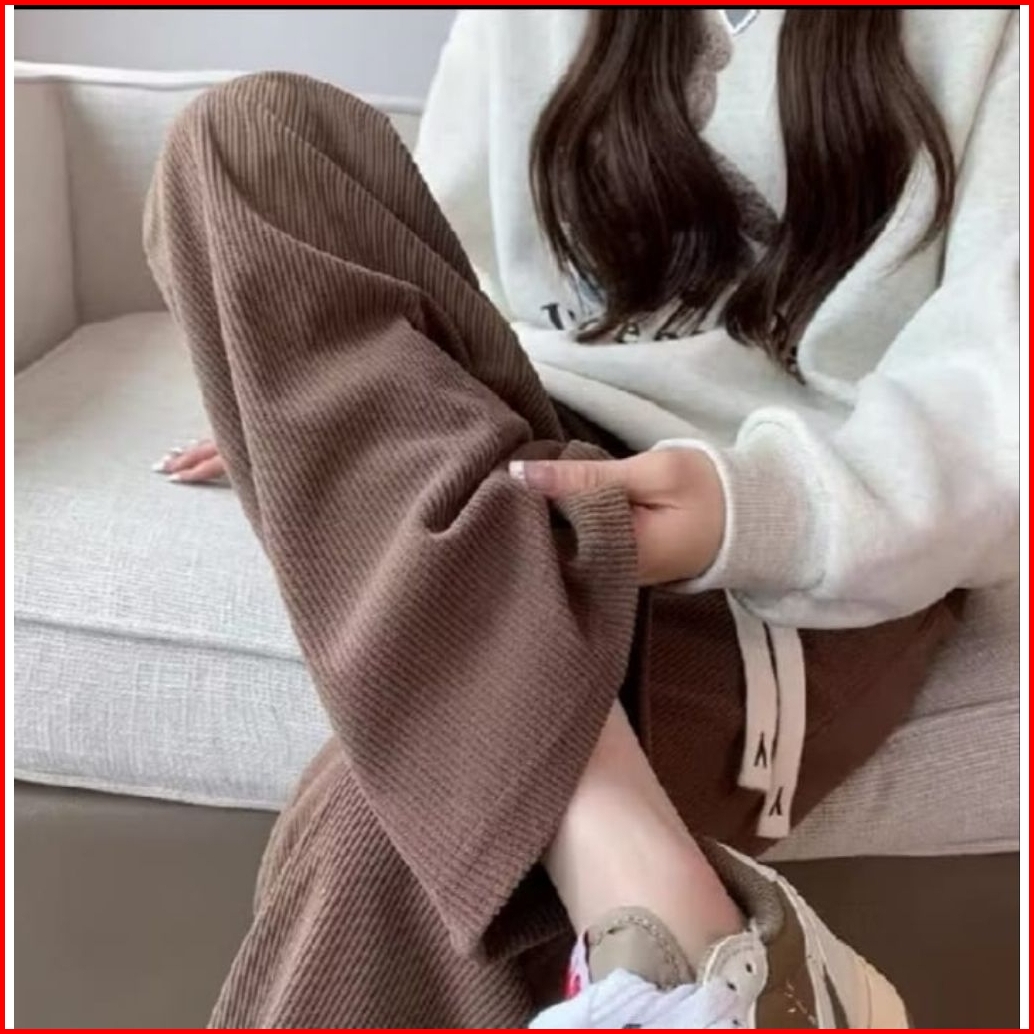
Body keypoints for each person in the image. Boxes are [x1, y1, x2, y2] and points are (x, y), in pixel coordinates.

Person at [146, 8, 1017, 1028]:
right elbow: (445, 276)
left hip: (792, 531)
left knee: (381, 827)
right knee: (246, 133)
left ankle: (690, 944)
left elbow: (997, 401)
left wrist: (747, 512)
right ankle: (661, 906)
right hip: (529, 462)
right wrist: (307, 396)